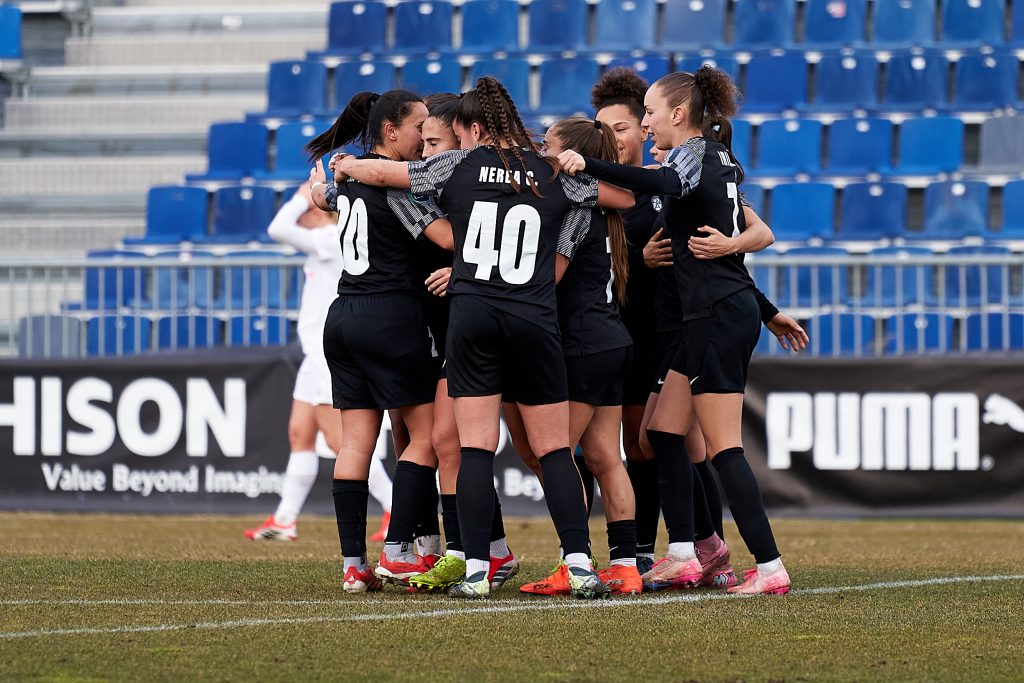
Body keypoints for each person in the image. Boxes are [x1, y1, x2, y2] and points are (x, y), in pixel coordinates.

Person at [334, 76, 634, 599]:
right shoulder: (550, 169)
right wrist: (574, 170)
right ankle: (580, 562)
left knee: (475, 449)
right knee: (554, 450)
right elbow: (623, 199)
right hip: (534, 319)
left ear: (472, 128)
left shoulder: (459, 163)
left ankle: (475, 568)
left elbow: (391, 172)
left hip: (473, 316)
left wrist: (345, 173)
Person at [557, 66, 795, 595]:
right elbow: (747, 230)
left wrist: (587, 163)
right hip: (708, 313)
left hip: (714, 314)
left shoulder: (693, 159)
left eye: (650, 112)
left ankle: (770, 565)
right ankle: (687, 554)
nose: (646, 123)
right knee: (663, 433)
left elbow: (666, 185)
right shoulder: (714, 159)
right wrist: (766, 305)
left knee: (723, 447)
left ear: (678, 114)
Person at [307, 89, 455, 594]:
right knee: (430, 437)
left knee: (355, 444)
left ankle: (354, 564)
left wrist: (322, 182)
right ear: (390, 131)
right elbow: (447, 238)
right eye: (419, 126)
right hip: (391, 314)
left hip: (343, 315)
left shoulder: (346, 182)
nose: (424, 137)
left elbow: (323, 196)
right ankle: (396, 550)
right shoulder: (395, 182)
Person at [509, 116, 641, 596]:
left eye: (549, 145)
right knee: (607, 457)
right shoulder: (601, 206)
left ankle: (576, 560)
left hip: (583, 344)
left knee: (556, 456)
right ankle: (625, 565)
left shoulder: (574, 205)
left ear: (570, 155)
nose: (541, 150)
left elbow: (552, 277)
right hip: (611, 340)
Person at [404, 96, 520, 593]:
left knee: (545, 452)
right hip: (457, 331)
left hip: (501, 327)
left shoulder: (481, 184)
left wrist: (467, 271)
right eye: (423, 142)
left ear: (463, 142)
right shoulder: (443, 189)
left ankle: (588, 557)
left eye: (434, 144)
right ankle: (475, 550)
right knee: (449, 442)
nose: (426, 154)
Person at [244, 185, 394, 543]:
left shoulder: (330, 236)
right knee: (301, 433)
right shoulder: (328, 239)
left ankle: (396, 507)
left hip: (328, 354)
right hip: (315, 353)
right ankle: (285, 519)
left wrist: (300, 195)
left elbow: (278, 228)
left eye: (306, 210)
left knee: (341, 440)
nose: (302, 217)